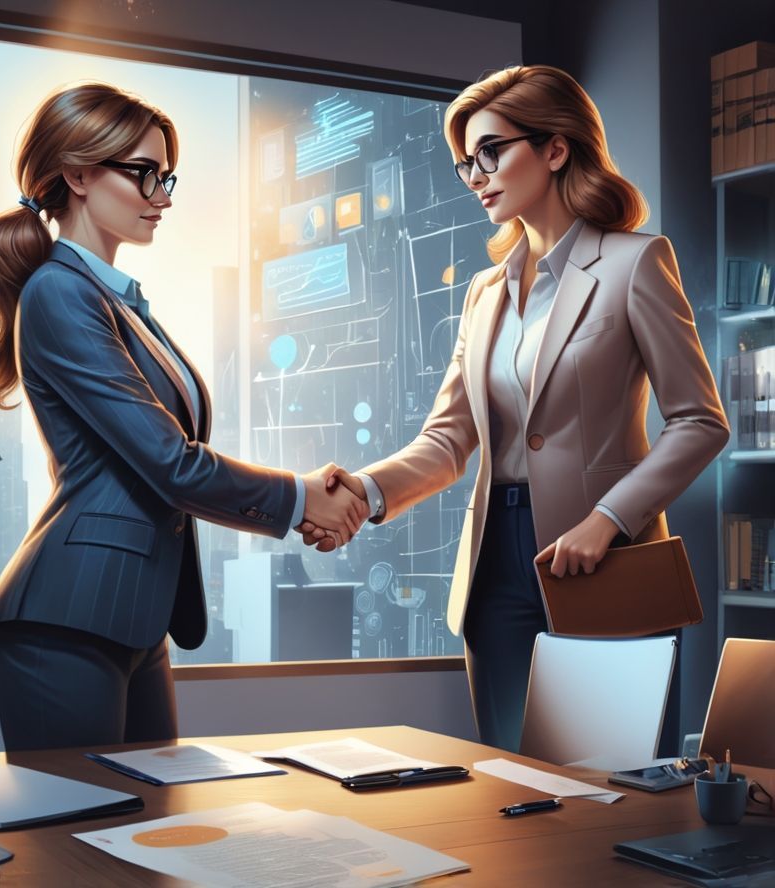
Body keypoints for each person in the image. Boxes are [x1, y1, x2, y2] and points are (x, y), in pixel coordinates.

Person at [302, 65, 729, 752]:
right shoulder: (482, 293)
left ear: (556, 148)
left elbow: (701, 422)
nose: (475, 175)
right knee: (513, 785)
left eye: (492, 152)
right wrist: (365, 491)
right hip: (495, 565)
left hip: (605, 563)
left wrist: (608, 520)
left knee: (606, 789)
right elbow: (447, 439)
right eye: (466, 161)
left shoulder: (636, 263)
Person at [0, 82, 367, 752]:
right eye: (145, 174)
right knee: (77, 842)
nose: (164, 197)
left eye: (166, 176)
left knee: (146, 835)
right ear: (80, 174)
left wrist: (307, 497)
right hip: (68, 620)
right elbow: (169, 462)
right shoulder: (59, 293)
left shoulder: (121, 303)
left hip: (131, 618)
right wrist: (299, 499)